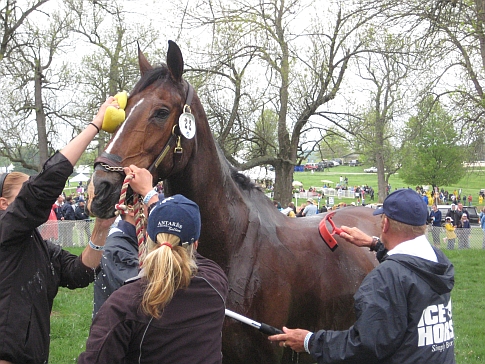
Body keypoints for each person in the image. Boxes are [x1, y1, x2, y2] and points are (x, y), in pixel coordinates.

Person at [269, 188, 455, 363]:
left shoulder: (384, 279)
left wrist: (310, 341)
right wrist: (374, 244)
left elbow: (365, 346)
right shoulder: (438, 261)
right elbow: (409, 268)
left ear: (385, 224)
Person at [0, 97, 117, 364]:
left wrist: (101, 228)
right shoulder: (5, 231)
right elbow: (43, 188)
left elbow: (79, 272)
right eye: (24, 195)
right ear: (3, 204)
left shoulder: (34, 244)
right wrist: (95, 124)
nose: (37, 199)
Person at [78, 167, 228, 364]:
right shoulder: (216, 282)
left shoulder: (122, 306)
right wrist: (151, 196)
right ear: (196, 243)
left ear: (147, 235)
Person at [92, 197, 138, 317]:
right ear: (132, 210)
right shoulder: (115, 251)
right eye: (153, 207)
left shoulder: (131, 241)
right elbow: (146, 293)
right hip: (120, 331)